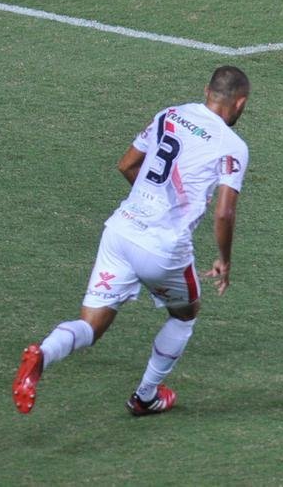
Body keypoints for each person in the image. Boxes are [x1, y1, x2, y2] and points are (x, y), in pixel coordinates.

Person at [13, 66, 251, 416]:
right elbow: (224, 213)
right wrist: (224, 259)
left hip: (120, 232)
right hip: (163, 249)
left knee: (91, 325)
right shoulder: (232, 145)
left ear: (206, 91)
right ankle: (146, 395)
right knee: (185, 315)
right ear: (240, 103)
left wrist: (150, 202)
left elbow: (126, 165)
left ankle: (43, 354)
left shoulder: (169, 114)